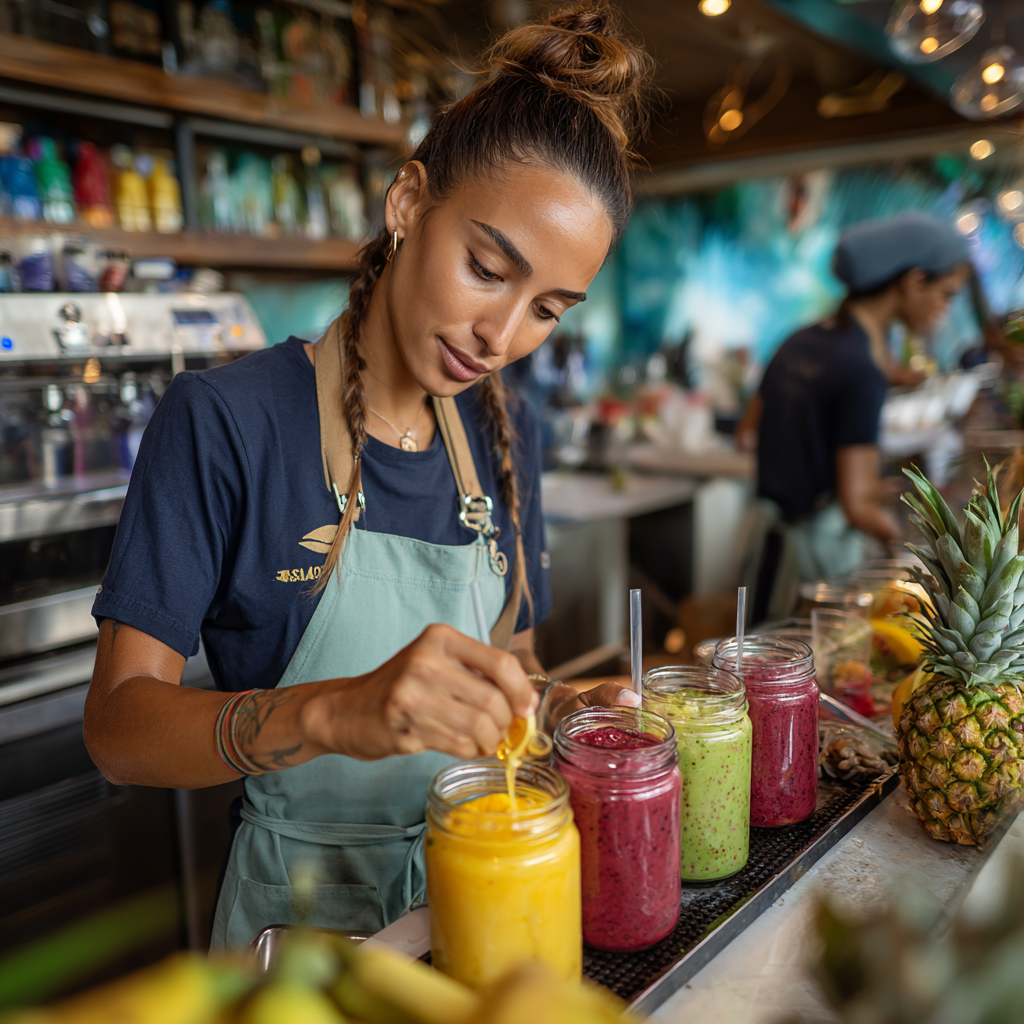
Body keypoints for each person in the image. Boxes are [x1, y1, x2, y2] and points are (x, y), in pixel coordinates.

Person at [83, 5, 652, 951]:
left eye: (548, 310)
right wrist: (334, 711)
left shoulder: (507, 430)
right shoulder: (227, 420)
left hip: (476, 898)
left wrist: (555, 704)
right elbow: (117, 731)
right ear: (408, 203)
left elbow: (508, 668)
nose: (500, 337)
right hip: (298, 929)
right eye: (486, 268)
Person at [737, 211, 969, 622]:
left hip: (765, 536)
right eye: (946, 294)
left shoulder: (798, 342)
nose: (945, 309)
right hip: (814, 560)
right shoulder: (862, 371)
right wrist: (912, 548)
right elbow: (857, 505)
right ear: (913, 281)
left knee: (762, 649)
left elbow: (747, 432)